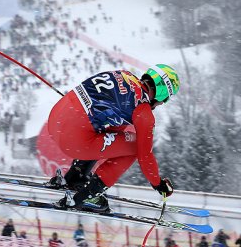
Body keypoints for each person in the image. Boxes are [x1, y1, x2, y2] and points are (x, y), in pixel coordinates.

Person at [47, 65, 180, 212]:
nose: (162, 103)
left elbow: (114, 126)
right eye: (166, 99)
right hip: (72, 141)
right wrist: (158, 184)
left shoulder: (124, 75)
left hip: (54, 122)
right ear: (162, 93)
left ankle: (75, 176)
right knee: (136, 147)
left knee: (110, 133)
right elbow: (145, 155)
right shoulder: (143, 111)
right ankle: (88, 197)